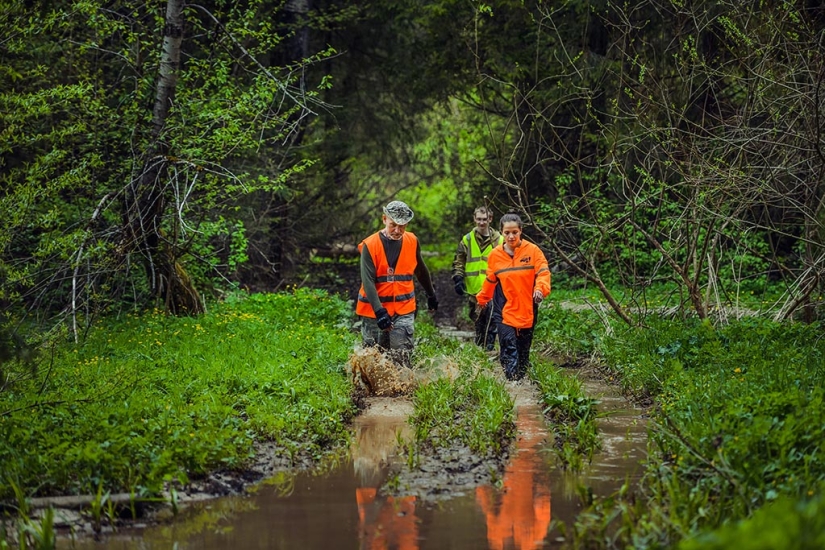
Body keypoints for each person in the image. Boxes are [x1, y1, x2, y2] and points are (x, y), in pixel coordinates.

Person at [356, 200, 438, 368]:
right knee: (373, 359)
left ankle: (402, 391)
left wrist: (431, 294)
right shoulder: (370, 245)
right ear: (384, 219)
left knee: (402, 357)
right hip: (373, 311)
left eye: (403, 226)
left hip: (403, 309)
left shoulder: (412, 240)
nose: (397, 231)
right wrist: (379, 312)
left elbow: (421, 270)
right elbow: (368, 281)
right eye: (393, 225)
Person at [475, 213, 551, 381]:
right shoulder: (495, 255)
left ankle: (521, 379)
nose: (511, 236)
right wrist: (482, 300)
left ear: (521, 231)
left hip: (527, 309)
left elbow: (543, 272)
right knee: (508, 347)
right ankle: (512, 383)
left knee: (523, 351)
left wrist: (540, 289)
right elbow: (490, 280)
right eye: (507, 232)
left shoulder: (533, 251)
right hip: (504, 310)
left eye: (514, 232)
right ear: (501, 233)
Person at [451, 206, 503, 351]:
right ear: (474, 219)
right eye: (479, 219)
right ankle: (480, 347)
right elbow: (459, 261)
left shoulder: (500, 240)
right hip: (473, 290)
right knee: (478, 320)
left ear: (490, 219)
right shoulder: (467, 240)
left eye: (484, 219)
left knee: (491, 319)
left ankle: (489, 348)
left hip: (493, 288)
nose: (481, 222)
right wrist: (458, 278)